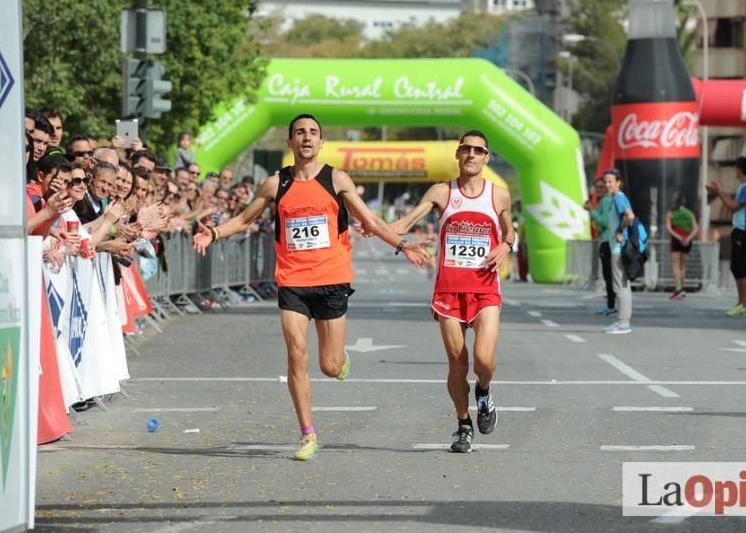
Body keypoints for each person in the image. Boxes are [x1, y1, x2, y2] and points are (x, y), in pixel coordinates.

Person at [192, 113, 429, 462]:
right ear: (290, 142)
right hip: (292, 281)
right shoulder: (275, 184)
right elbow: (244, 219)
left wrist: (402, 244)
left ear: (321, 142)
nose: (306, 137)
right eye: (300, 132)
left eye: (313, 133)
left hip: (332, 279)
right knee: (296, 353)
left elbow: (371, 220)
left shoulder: (337, 179)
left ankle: (339, 360)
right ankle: (307, 434)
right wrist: (212, 233)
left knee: (329, 366)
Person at [387, 130, 514, 453]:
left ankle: (483, 392)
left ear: (486, 157)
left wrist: (506, 245)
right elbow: (404, 222)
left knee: (483, 359)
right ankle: (463, 425)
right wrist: (372, 226)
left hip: (485, 289)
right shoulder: (442, 192)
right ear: (458, 155)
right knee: (457, 364)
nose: (471, 154)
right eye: (465, 149)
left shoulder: (498, 194)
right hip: (448, 292)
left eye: (478, 150)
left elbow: (509, 227)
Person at [707, 156, 746, 317]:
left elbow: (733, 207)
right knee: (736, 267)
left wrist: (719, 192)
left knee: (742, 268)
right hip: (742, 230)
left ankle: (745, 305)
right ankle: (741, 303)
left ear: (739, 169)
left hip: (744, 230)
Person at [601, 169, 635, 334]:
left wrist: (620, 230)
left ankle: (622, 322)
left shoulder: (619, 198)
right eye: (605, 182)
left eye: (610, 181)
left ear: (618, 182)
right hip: (618, 246)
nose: (607, 185)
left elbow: (630, 216)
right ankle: (623, 320)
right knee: (623, 285)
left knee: (619, 285)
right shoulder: (617, 198)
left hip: (618, 247)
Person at [587, 177, 616, 314]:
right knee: (610, 275)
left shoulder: (605, 201)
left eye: (601, 186)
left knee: (609, 275)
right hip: (608, 240)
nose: (598, 189)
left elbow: (604, 222)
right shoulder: (607, 200)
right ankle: (612, 304)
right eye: (596, 187)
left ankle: (612, 306)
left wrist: (591, 210)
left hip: (607, 241)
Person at [665, 192, 699, 300]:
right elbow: (696, 228)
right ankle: (681, 289)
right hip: (687, 241)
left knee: (675, 265)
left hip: (676, 241)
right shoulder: (689, 213)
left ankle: (678, 289)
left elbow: (669, 228)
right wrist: (688, 238)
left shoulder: (671, 213)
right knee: (683, 266)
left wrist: (679, 237)